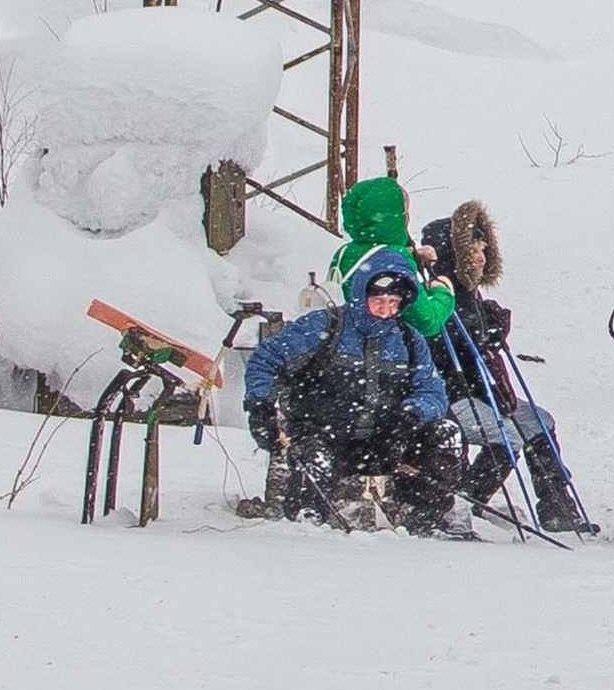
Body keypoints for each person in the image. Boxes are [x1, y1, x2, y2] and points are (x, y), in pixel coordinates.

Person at [243, 250, 467, 535]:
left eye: (393, 303)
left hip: (384, 440)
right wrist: (260, 405)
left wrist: (408, 418)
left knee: (445, 433)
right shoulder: (324, 326)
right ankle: (306, 530)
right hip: (323, 436)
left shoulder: (409, 339)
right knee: (315, 462)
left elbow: (432, 390)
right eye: (378, 302)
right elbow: (266, 358)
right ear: (362, 296)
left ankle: (424, 523)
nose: (385, 311)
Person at [420, 202, 587, 533]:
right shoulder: (438, 298)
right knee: (507, 436)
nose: (481, 257)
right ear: (455, 255)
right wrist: (478, 328)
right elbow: (442, 346)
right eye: (473, 250)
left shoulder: (471, 297)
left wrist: (488, 325)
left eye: (483, 249)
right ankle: (466, 499)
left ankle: (556, 508)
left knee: (538, 422)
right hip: (454, 397)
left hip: (488, 396)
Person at [328, 175, 456, 340]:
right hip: (382, 350)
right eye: (403, 212)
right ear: (393, 218)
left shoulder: (344, 253)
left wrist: (410, 256)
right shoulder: (393, 260)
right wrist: (442, 291)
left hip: (347, 345)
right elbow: (426, 322)